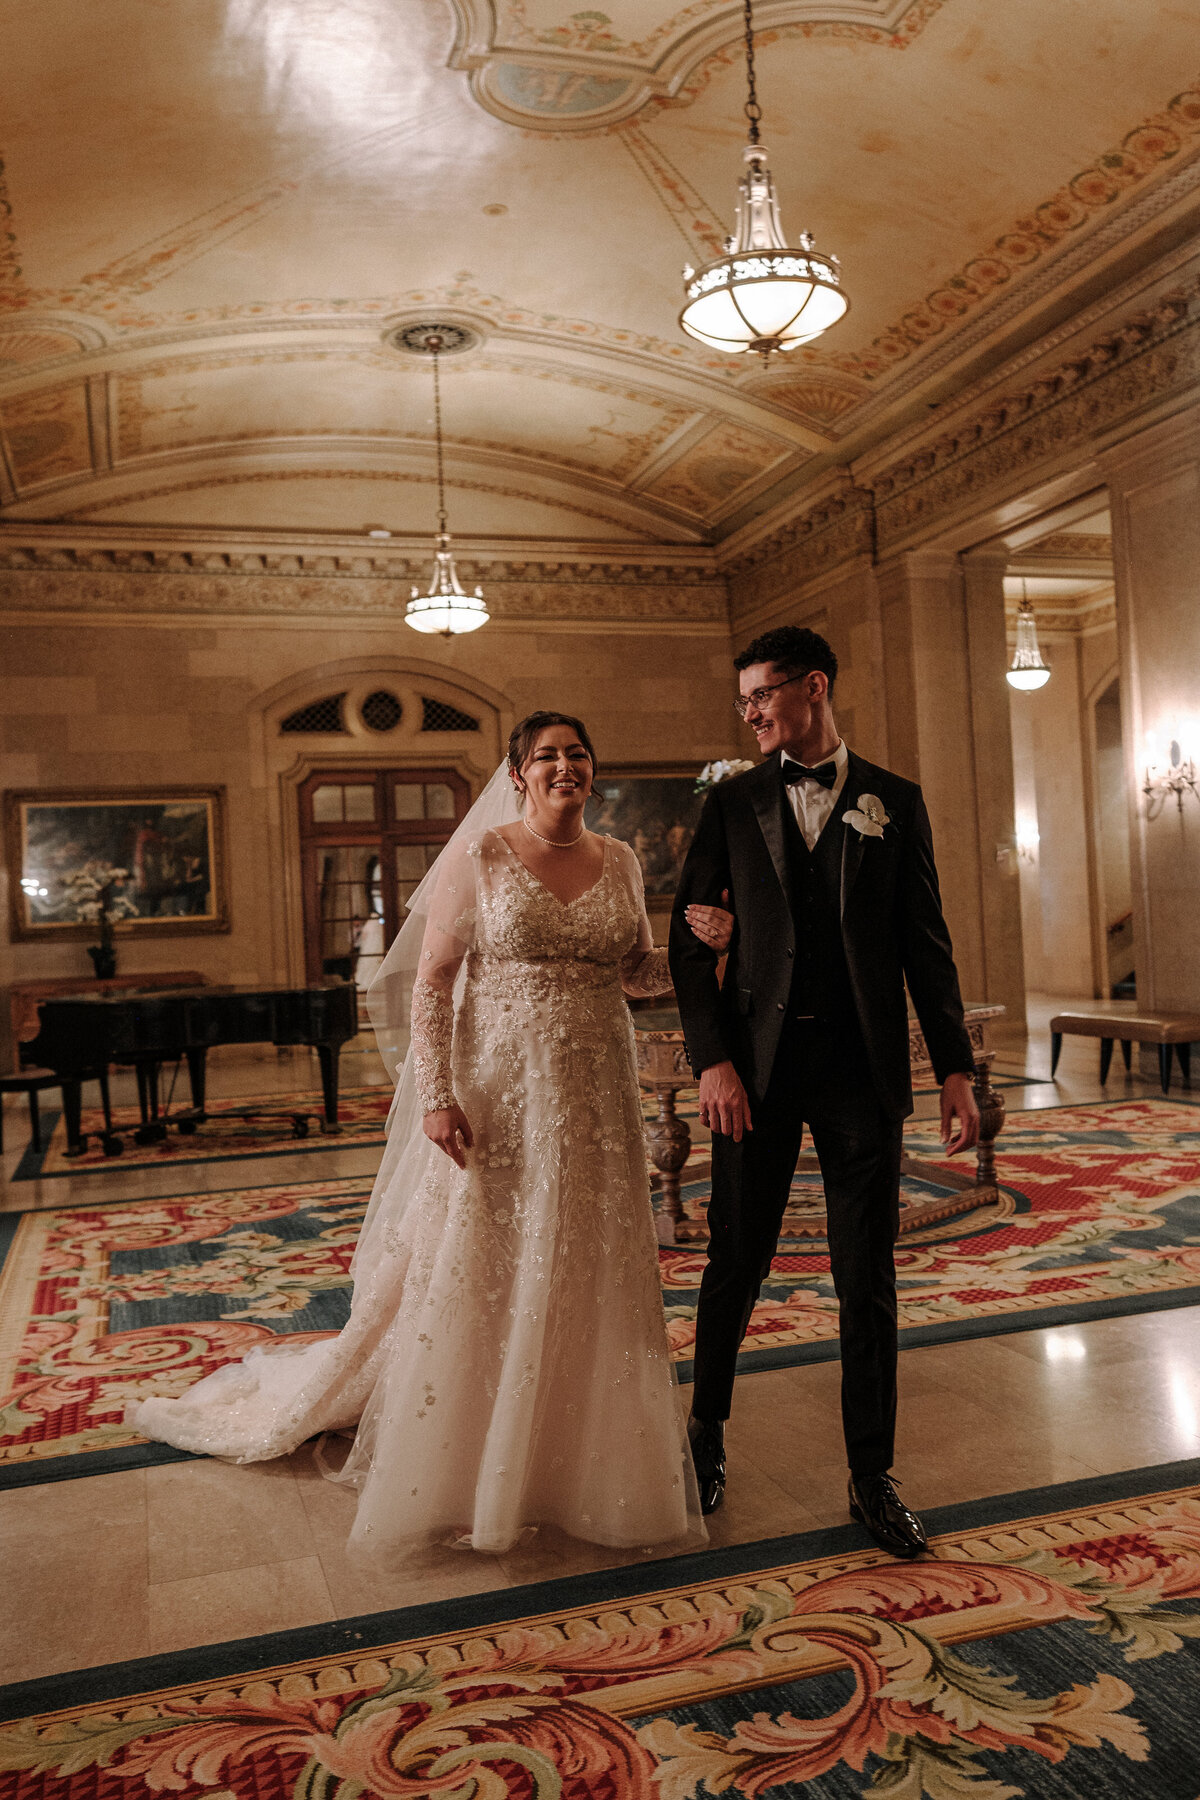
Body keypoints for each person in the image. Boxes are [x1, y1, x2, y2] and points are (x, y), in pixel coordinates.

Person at [128, 712, 732, 1561]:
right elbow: (433, 985)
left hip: (596, 1098)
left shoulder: (623, 860)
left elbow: (632, 974)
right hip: (500, 1094)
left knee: (588, 1257)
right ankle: (469, 1458)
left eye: (578, 754)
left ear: (594, 770)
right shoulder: (483, 857)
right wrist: (439, 1097)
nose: (565, 767)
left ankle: (578, 1450)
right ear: (517, 774)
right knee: (488, 1262)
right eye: (545, 756)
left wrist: (709, 954)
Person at [669, 626, 980, 1560]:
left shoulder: (896, 801)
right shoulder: (731, 803)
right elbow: (689, 945)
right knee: (737, 1263)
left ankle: (873, 1477)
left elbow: (926, 946)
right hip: (754, 1075)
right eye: (745, 702)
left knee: (867, 1280)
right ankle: (705, 1440)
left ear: (814, 688)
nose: (752, 712)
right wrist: (712, 1063)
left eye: (763, 695)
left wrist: (955, 1068)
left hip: (861, 1072)